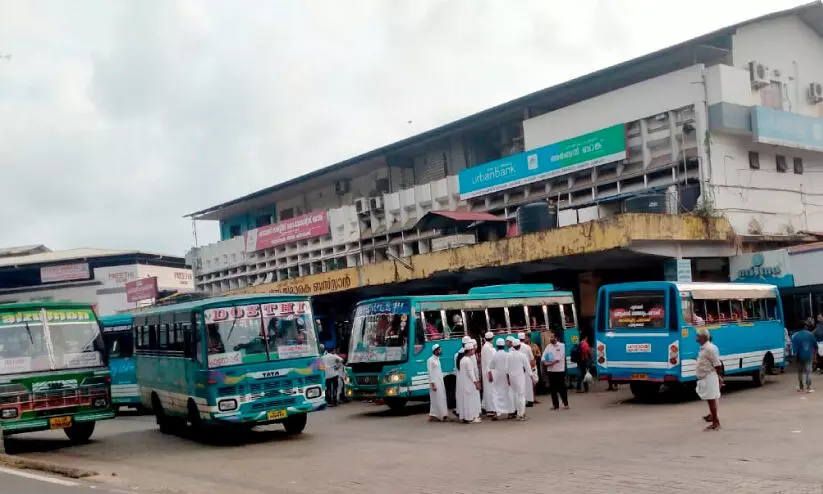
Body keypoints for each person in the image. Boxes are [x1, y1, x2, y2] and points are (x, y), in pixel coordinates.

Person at [695, 329, 723, 431]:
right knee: (711, 400)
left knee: (712, 400)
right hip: (705, 376)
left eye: (697, 336)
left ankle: (716, 423)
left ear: (702, 338)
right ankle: (714, 420)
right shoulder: (704, 348)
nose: (696, 338)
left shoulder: (709, 349)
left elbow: (717, 364)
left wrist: (718, 376)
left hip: (709, 376)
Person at [542, 332, 569, 410]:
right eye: (550, 337)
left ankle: (566, 403)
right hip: (551, 371)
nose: (550, 339)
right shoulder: (548, 346)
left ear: (556, 338)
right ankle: (555, 405)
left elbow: (559, 358)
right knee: (552, 389)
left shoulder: (561, 346)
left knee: (562, 388)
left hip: (560, 370)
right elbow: (543, 357)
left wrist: (549, 363)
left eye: (552, 337)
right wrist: (546, 363)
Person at [458, 342, 482, 423]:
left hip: (464, 384)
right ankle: (470, 418)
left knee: (466, 401)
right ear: (469, 351)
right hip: (469, 384)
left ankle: (466, 417)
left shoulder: (462, 360)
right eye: (472, 350)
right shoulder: (468, 360)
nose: (473, 351)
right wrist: (476, 383)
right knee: (470, 401)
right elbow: (470, 373)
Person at [489, 338, 512, 420]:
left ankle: (496, 412)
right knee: (507, 393)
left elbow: (491, 366)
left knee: (497, 393)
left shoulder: (494, 355)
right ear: (503, 346)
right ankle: (510, 412)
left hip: (497, 376)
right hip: (506, 376)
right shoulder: (507, 354)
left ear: (497, 346)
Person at [508, 338, 531, 421]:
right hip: (520, 377)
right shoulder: (522, 355)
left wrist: (508, 377)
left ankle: (517, 412)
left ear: (513, 346)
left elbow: (506, 368)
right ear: (519, 346)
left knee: (515, 395)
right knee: (521, 396)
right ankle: (521, 415)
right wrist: (532, 376)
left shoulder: (508, 355)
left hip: (511, 378)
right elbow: (527, 367)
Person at [791, 323, 817, 393]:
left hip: (799, 356)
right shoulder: (810, 334)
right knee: (808, 371)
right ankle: (808, 387)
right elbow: (815, 345)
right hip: (809, 355)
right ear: (805, 326)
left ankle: (801, 386)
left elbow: (793, 348)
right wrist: (814, 353)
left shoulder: (795, 336)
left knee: (800, 372)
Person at [427, 344, 448, 422]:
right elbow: (430, 372)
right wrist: (433, 384)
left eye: (440, 349)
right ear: (435, 351)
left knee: (441, 398)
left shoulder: (437, 359)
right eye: (439, 350)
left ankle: (440, 414)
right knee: (436, 399)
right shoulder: (430, 360)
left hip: (440, 381)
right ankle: (438, 415)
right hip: (435, 382)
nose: (440, 351)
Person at [517, 333, 536, 406]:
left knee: (521, 385)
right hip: (527, 368)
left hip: (519, 369)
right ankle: (530, 401)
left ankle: (523, 401)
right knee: (528, 385)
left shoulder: (514, 347)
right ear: (524, 338)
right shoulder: (527, 347)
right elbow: (532, 358)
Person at [480, 332, 496, 415]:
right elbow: (488, 362)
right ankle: (489, 409)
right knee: (489, 391)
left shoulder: (487, 347)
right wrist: (490, 373)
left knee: (489, 390)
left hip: (488, 372)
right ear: (492, 338)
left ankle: (486, 407)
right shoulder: (487, 348)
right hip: (488, 372)